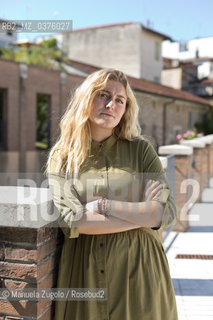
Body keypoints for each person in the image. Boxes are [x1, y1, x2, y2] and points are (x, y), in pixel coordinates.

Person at [46, 69, 178, 320]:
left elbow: (165, 212)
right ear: (86, 98)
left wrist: (104, 205)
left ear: (126, 108)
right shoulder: (62, 157)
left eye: (120, 100)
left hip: (142, 273)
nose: (111, 105)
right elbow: (72, 221)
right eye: (103, 95)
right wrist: (141, 214)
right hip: (85, 276)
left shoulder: (141, 151)